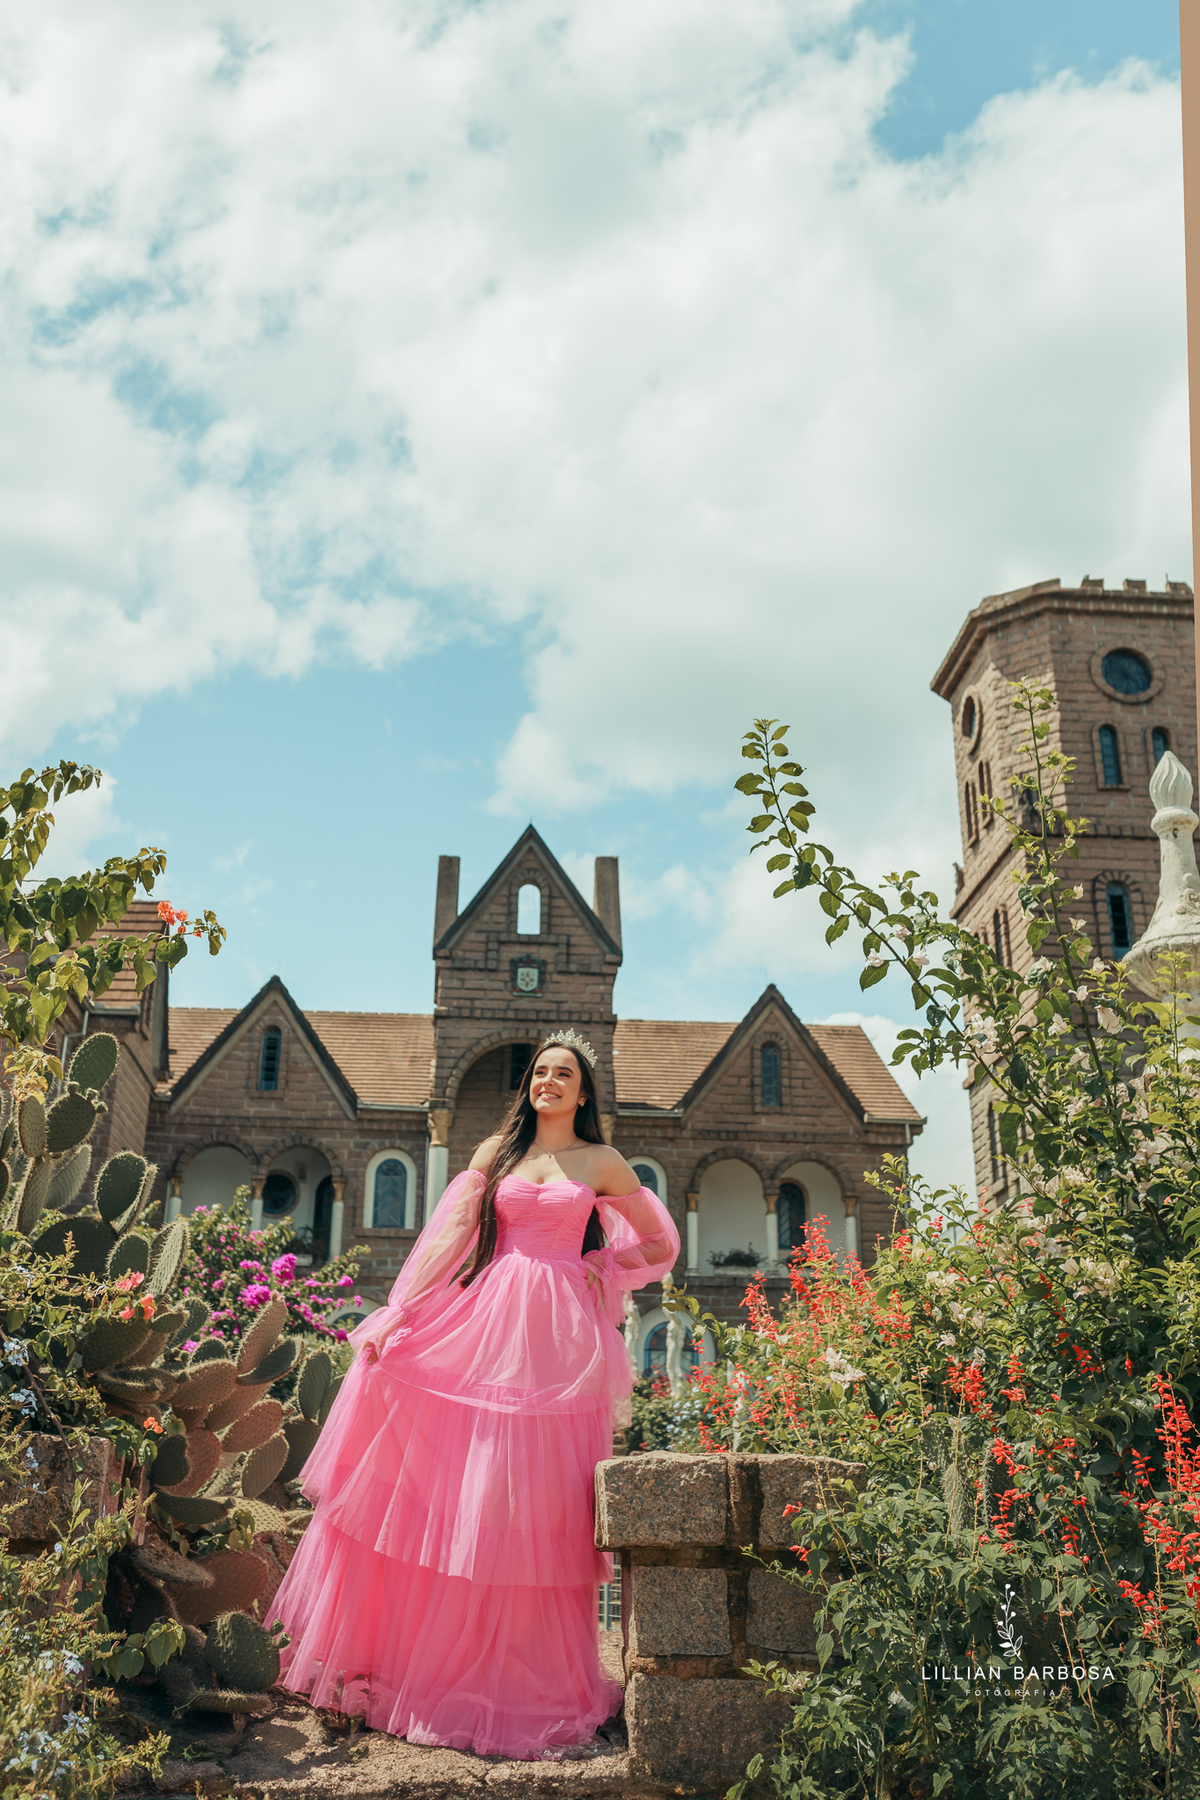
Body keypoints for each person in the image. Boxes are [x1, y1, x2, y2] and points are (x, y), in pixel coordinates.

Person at [271, 1029, 680, 1760]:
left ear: (583, 1092)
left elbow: (659, 1245)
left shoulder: (604, 1162)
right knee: (473, 1482)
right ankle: (428, 1664)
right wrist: (400, 1310)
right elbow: (452, 1236)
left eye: (564, 1074)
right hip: (489, 1317)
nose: (549, 1081)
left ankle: (522, 1677)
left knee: (538, 1497)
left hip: (561, 1341)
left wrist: (601, 1265)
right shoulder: (497, 1153)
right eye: (541, 1072)